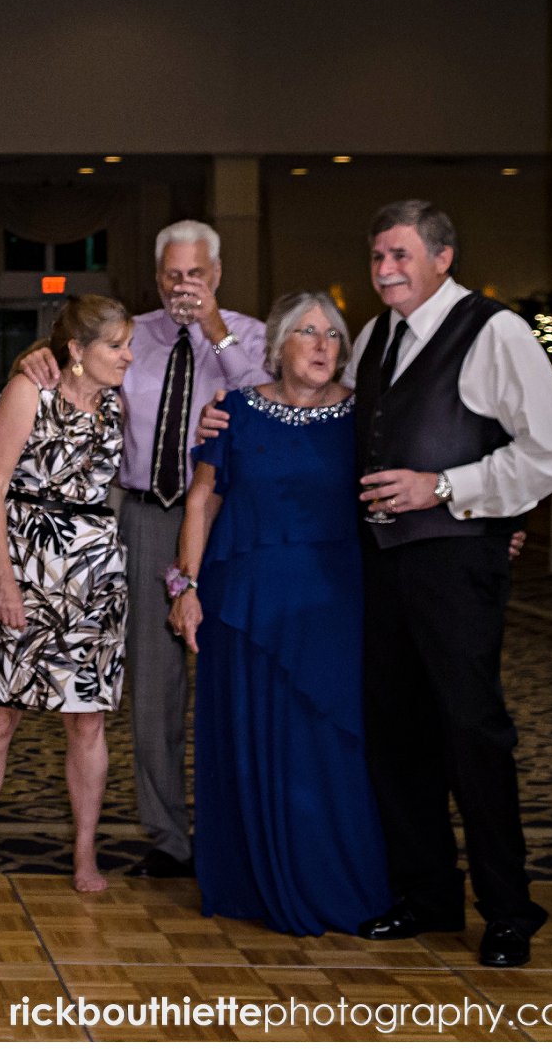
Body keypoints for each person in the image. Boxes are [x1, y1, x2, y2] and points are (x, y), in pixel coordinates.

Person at [345, 201, 552, 968]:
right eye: (378, 255)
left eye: (401, 255)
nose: (385, 269)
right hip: (383, 562)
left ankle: (509, 910)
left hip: (455, 562)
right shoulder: (374, 337)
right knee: (398, 731)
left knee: (472, 733)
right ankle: (428, 894)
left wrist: (445, 486)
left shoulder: (496, 331)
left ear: (443, 258)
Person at [19, 220, 267, 879]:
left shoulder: (250, 332)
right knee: (154, 685)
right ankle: (169, 836)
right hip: (145, 517)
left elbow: (268, 395)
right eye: (172, 274)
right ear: (158, 274)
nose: (182, 286)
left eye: (195, 274)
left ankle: (239, 826)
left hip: (228, 521)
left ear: (216, 274)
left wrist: (216, 327)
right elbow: (76, 376)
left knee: (232, 677)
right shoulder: (138, 337)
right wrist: (34, 360)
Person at [167, 291, 390, 935]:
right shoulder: (234, 410)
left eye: (333, 337)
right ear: (278, 344)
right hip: (241, 604)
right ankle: (249, 882)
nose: (323, 347)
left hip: (331, 605)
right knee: (248, 741)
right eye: (308, 333)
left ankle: (336, 882)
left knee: (329, 742)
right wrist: (186, 588)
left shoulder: (362, 415)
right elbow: (202, 502)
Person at [0, 297, 132, 892]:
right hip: (22, 569)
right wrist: (5, 580)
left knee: (87, 723)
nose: (127, 356)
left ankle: (86, 854)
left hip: (93, 578)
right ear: (77, 351)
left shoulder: (117, 404)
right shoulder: (31, 392)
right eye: (115, 346)